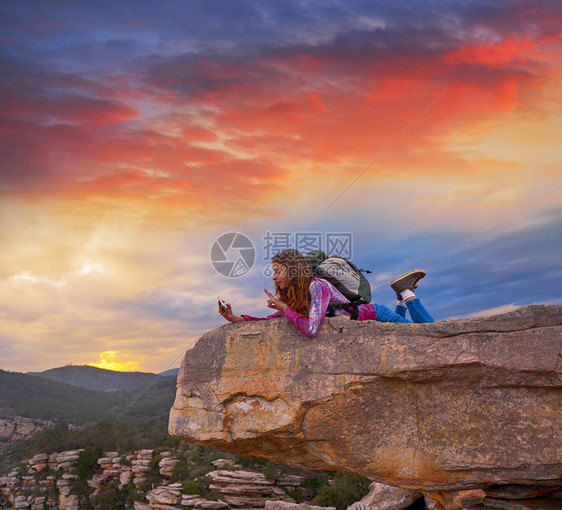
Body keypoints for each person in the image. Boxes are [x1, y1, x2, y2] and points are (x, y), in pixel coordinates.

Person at [218, 249, 434, 339]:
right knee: (412, 335)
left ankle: (405, 292)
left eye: (278, 271)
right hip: (371, 320)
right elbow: (271, 319)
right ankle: (400, 298)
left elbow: (312, 329)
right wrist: (236, 318)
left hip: (377, 315)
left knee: (429, 334)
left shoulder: (317, 286)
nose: (274, 278)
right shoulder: (297, 294)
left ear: (293, 270)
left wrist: (285, 308)